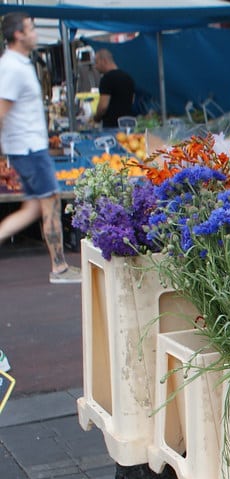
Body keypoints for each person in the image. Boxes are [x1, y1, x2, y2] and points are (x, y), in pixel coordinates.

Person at [0, 12, 79, 284]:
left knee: (32, 209)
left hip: (28, 148)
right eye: (31, 29)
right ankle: (59, 267)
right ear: (19, 35)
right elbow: (1, 110)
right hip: (29, 149)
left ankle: (60, 266)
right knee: (51, 201)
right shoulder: (12, 67)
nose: (35, 33)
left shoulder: (18, 64)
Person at [92, 48, 135, 128]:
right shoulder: (128, 78)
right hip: (129, 124)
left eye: (96, 62)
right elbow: (132, 100)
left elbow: (103, 106)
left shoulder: (106, 79)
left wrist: (96, 118)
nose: (95, 67)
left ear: (104, 61)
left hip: (112, 126)